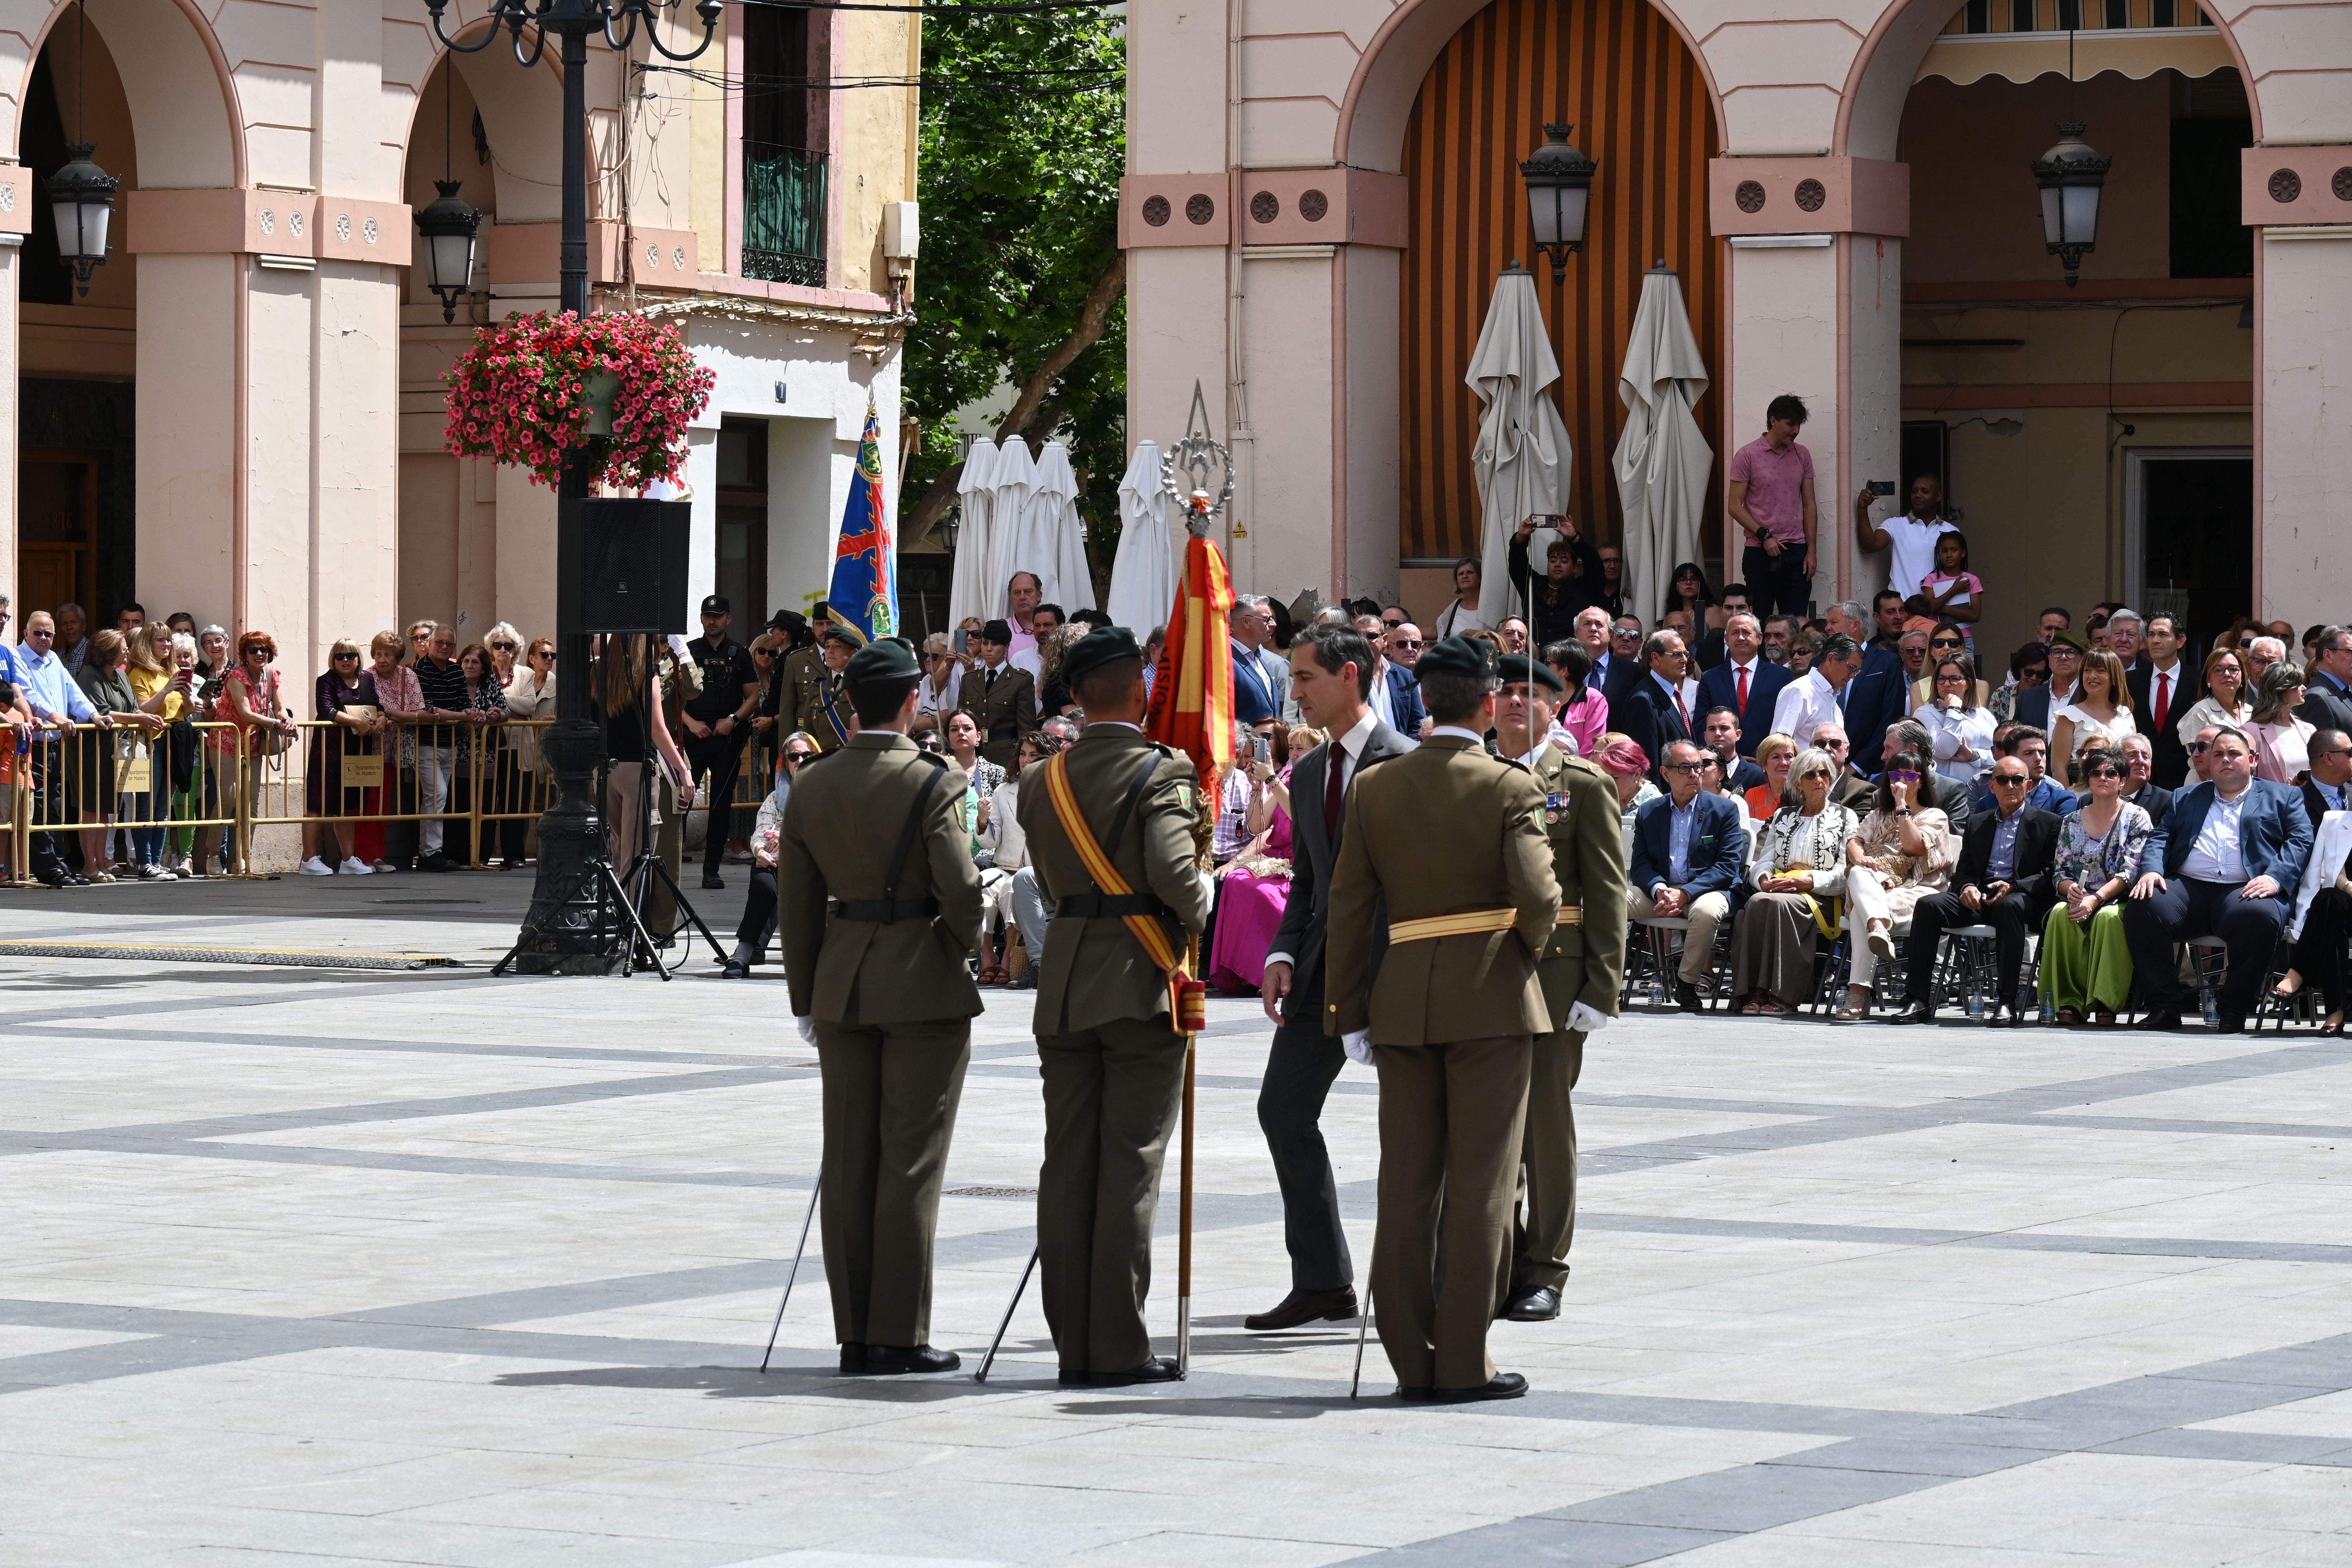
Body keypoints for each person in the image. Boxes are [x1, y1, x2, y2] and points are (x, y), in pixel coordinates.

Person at [1325, 635, 1559, 1402]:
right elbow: (1539, 898)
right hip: (1490, 998)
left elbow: (1350, 906)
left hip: (1400, 1002)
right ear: (1488, 704)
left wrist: (1347, 1009)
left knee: (1406, 1185)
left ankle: (1408, 1358)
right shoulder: (1508, 785)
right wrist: (1517, 957)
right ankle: (1461, 1358)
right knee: (1482, 1185)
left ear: (1425, 701)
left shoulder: (1376, 787)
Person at [775, 636, 980, 1377]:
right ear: (910, 701)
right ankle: (897, 1331)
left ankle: (855, 1332)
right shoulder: (933, 780)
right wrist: (957, 943)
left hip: (841, 982)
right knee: (910, 1163)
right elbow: (959, 890)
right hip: (919, 977)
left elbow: (795, 908)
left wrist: (806, 993)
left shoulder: (816, 783)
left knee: (850, 1158)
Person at [1015, 626, 1211, 1387]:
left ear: (1076, 696)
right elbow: (1173, 871)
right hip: (1139, 979)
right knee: (1128, 1165)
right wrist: (1206, 896)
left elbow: (1045, 870)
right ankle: (1118, 1344)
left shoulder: (1042, 779)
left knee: (1067, 1164)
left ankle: (1073, 1340)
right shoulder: (1161, 769)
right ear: (1139, 691)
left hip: (1066, 979)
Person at [1243, 623, 1415, 1332]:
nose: (1295, 693)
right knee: (1281, 1110)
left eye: (1306, 677)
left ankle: (1420, 1282)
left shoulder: (1406, 764)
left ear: (1350, 675)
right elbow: (1308, 881)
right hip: (1318, 975)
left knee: (1413, 1132)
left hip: (1397, 976)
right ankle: (1321, 1280)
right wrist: (1282, 953)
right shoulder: (1308, 772)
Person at [1494, 651, 1625, 1323]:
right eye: (1505, 692)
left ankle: (1545, 1268)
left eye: (1530, 693)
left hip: (1555, 973)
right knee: (1488, 1127)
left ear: (1555, 707)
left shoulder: (1580, 782)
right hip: (1485, 973)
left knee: (1544, 1125)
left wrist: (1602, 987)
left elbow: (1605, 889)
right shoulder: (1477, 775)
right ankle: (1496, 1260)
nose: (1516, 703)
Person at [2124, 726, 2314, 1033]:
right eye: (2219, 755)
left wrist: (2276, 879)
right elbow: (2161, 837)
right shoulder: (2185, 797)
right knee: (2144, 905)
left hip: (2248, 888)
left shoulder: (2284, 796)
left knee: (2258, 916)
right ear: (2210, 764)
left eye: (2234, 754)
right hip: (2189, 888)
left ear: (2253, 760)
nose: (2226, 760)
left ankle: (2234, 1010)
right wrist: (2151, 871)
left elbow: (2301, 840)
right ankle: (2164, 1007)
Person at [1896, 754, 2062, 1026]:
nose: (2011, 786)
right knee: (1928, 906)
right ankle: (1918, 1000)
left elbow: (2050, 874)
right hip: (1980, 899)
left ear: (2028, 786)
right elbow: (1964, 871)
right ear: (1992, 787)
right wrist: (1968, 887)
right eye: (2003, 780)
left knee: (2010, 906)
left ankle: (2006, 1001)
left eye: (2018, 780)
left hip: (2022, 900)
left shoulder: (2049, 823)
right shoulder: (1978, 822)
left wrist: (2014, 886)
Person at [1731, 748, 1861, 1014]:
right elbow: (1765, 860)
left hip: (1823, 898)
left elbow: (1845, 873)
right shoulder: (1784, 816)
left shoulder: (1846, 817)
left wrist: (1809, 882)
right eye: (1810, 774)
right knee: (1756, 902)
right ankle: (1755, 992)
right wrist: (1765, 880)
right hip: (1779, 891)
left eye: (1824, 774)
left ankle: (1784, 995)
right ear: (1798, 782)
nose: (1818, 780)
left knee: (1777, 905)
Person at [1830, 753, 1956, 1021]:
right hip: (1875, 887)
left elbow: (1913, 846)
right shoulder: (1877, 815)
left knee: (1859, 913)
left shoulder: (1935, 816)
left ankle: (1858, 994)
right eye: (1895, 775)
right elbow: (1855, 840)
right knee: (1860, 873)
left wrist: (1901, 804)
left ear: (1921, 782)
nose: (1901, 781)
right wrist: (1861, 857)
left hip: (1919, 890)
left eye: (1910, 776)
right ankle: (1877, 926)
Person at [2036, 747, 2156, 1026]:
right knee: (2059, 913)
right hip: (2080, 898)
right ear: (2088, 780)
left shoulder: (2137, 817)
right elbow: (2060, 871)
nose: (2103, 777)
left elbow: (2130, 872)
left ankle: (2106, 1002)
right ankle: (2069, 1002)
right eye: (2096, 773)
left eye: (2111, 773)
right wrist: (2071, 891)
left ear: (2123, 781)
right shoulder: (2071, 821)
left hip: (2118, 899)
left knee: (2108, 918)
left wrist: (2096, 899)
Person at [1628, 738, 1746, 1010]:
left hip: (1707, 891)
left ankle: (1688, 983)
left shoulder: (1723, 810)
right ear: (1666, 773)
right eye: (1685, 768)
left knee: (1707, 912)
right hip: (1662, 892)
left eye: (1699, 767)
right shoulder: (1650, 812)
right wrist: (1659, 888)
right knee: (1610, 899)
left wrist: (1686, 893)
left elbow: (1728, 867)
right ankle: (1603, 979)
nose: (1695, 773)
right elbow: (1641, 865)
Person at [678, 595, 761, 890]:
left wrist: (734, 720)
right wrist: (690, 723)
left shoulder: (739, 653)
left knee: (721, 806)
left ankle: (711, 870)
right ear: (702, 619)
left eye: (718, 616)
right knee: (682, 803)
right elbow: (671, 696)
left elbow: (753, 696)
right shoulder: (688, 652)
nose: (712, 621)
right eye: (707, 616)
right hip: (694, 738)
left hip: (727, 739)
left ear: (729, 619)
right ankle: (671, 864)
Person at [597, 634, 695, 873]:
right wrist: (683, 771)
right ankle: (632, 910)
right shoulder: (646, 672)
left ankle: (616, 908)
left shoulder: (598, 669)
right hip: (637, 770)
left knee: (618, 848)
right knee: (638, 854)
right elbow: (658, 729)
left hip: (606, 769)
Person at [73, 630, 164, 880]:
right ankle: (90, 864)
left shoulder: (122, 674)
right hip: (93, 749)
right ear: (108, 650)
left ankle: (102, 862)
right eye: (123, 647)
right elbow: (104, 712)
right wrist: (139, 718)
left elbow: (132, 707)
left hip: (119, 749)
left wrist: (145, 718)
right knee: (91, 808)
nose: (127, 651)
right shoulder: (89, 675)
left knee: (108, 808)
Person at [299, 637, 384, 876]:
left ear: (358, 658)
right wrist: (356, 721)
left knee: (349, 806)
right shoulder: (326, 681)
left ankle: (348, 859)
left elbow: (378, 705)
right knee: (317, 804)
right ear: (333, 660)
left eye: (350, 655)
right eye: (340, 656)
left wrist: (382, 719)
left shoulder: (368, 679)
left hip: (357, 750)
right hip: (329, 750)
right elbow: (326, 709)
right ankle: (309, 860)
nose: (345, 660)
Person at [1728, 395, 1817, 618]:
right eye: (1790, 424)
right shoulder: (1747, 455)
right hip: (1760, 551)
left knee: (1795, 623)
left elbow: (1809, 505)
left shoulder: (1802, 454)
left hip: (1796, 550)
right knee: (1760, 621)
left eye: (1799, 425)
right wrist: (1764, 535)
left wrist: (1812, 551)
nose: (1796, 430)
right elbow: (1734, 506)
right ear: (1773, 421)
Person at [2275, 797, 2352, 1034]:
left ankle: (2298, 977)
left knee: (2329, 922)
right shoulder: (2334, 821)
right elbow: (2312, 880)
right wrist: (2302, 923)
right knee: (2328, 901)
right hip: (2342, 905)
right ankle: (2335, 1009)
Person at [1853, 474, 1957, 614]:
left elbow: (1956, 573)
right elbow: (1870, 545)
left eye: (1925, 492)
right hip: (1902, 612)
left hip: (1937, 611)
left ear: (1938, 497)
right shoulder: (1896, 524)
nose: (1918, 495)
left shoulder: (1950, 531)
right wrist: (1862, 509)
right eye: (1915, 491)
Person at [1695, 610, 1789, 758]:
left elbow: (1786, 725)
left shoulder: (1781, 677)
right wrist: (1721, 758)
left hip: (1765, 763)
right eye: (1735, 633)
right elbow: (1701, 726)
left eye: (1746, 632)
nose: (1740, 637)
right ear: (1726, 639)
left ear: (1759, 638)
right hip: (1722, 763)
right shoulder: (1710, 678)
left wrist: (1762, 757)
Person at [1508, 514, 1604, 649]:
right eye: (1553, 561)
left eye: (1564, 561)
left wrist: (1575, 538)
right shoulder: (1535, 584)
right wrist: (1521, 538)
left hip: (1572, 659)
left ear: (1575, 568)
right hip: (1535, 661)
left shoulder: (1585, 587)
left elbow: (1595, 564)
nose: (1557, 564)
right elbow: (1517, 565)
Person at [2126, 614, 2199, 787]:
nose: (2155, 641)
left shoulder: (2198, 680)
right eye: (2151, 635)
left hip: (2183, 779)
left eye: (2163, 635)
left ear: (2180, 641)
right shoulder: (2131, 681)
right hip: (2141, 779)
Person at [956, 620, 1038, 769]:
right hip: (975, 756)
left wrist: (1022, 761)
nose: (988, 649)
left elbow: (1026, 730)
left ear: (1006, 647)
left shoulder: (1020, 680)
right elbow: (960, 721)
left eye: (995, 644)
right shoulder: (969, 679)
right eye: (985, 643)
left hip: (1007, 757)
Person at [2050, 649, 2139, 783]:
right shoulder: (2068, 717)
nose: (2092, 676)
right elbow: (2058, 769)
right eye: (2087, 671)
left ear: (2114, 677)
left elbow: (2133, 760)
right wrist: (2069, 802)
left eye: (2100, 671)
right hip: (2082, 798)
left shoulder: (2126, 715)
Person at [1769, 631, 1862, 750]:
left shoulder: (1834, 703)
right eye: (1851, 668)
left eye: (1857, 671)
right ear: (1831, 659)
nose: (1853, 676)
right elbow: (1778, 746)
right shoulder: (1800, 690)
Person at [1918, 653, 1995, 793]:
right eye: (1941, 679)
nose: (1947, 684)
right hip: (1949, 794)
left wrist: (1974, 756)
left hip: (1987, 792)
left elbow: (2002, 755)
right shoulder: (1925, 713)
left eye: (1955, 679)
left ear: (1969, 683)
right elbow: (1944, 750)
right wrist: (1953, 709)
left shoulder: (1983, 714)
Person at [2176, 646, 2253, 758]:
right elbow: (2199, 761)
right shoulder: (2200, 712)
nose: (2227, 674)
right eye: (2219, 670)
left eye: (2234, 669)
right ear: (2208, 679)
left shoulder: (2251, 712)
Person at [2246, 662, 2316, 786]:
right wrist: (2285, 790)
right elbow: (2245, 780)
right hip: (2272, 803)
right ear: (2280, 689)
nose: (2304, 688)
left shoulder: (2309, 730)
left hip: (2307, 803)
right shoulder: (2250, 733)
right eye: (2297, 684)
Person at [1545, 640, 1609, 757]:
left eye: (1548, 662)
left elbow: (1591, 749)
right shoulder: (1543, 698)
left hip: (1577, 771)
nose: (1544, 667)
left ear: (1564, 671)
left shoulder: (1594, 700)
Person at [1917, 529, 1983, 640]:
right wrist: (1954, 590)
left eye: (1954, 550)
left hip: (1963, 638)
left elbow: (1975, 616)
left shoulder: (1972, 580)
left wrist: (1945, 609)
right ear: (1939, 554)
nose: (1949, 555)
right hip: (1938, 637)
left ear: (1963, 553)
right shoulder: (1932, 579)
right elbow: (1929, 608)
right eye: (1944, 551)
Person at [1369, 623, 1428, 737]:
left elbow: (1418, 724)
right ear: (1391, 649)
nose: (1409, 649)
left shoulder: (1435, 684)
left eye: (1415, 645)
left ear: (1422, 649)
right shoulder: (1367, 677)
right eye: (1402, 644)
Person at [1593, 734, 1658, 828]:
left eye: (1615, 778)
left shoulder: (1654, 805)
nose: (1609, 783)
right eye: (1605, 777)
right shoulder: (1600, 797)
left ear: (1637, 774)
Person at [2115, 733, 2174, 829]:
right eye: (2132, 755)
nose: (2141, 761)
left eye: (2145, 757)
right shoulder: (2092, 800)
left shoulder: (2167, 801)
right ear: (2116, 761)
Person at [1431, 555, 1489, 639]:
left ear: (1480, 578)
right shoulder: (1455, 606)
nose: (1465, 576)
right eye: (1461, 574)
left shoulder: (1489, 606)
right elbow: (1436, 632)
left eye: (1470, 572)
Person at [1748, 734, 1797, 818]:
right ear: (1764, 765)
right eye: (1776, 757)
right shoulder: (1753, 796)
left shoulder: (1805, 795)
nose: (1784, 763)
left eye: (1789, 757)